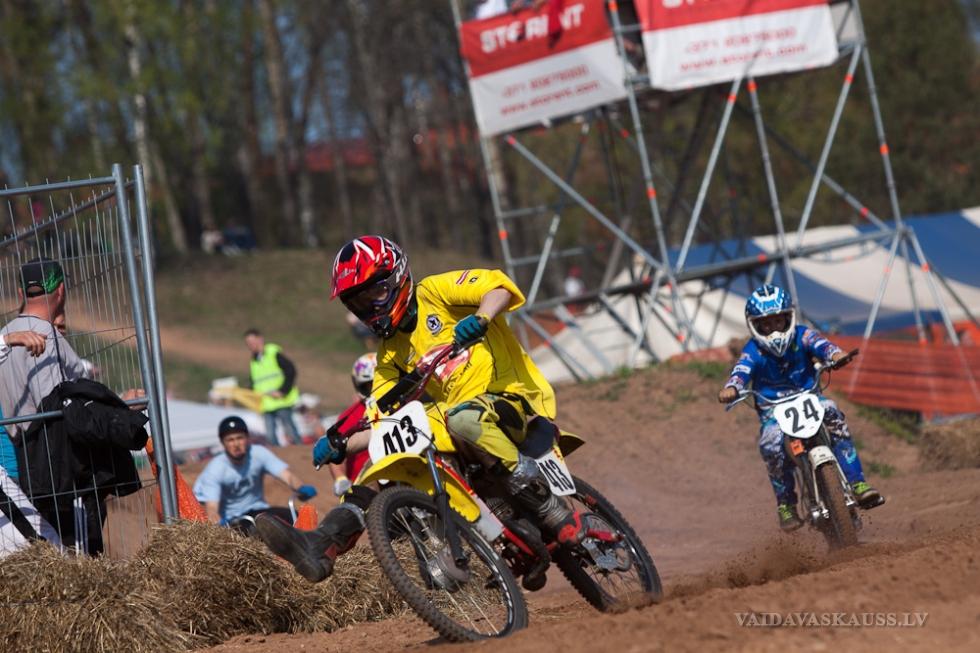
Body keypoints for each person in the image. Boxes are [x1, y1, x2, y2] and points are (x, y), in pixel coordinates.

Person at [255, 235, 584, 583]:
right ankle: (322, 544)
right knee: (379, 463)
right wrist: (341, 444)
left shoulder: (435, 292)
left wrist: (482, 317)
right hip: (453, 418)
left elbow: (499, 287)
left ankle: (552, 509)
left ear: (398, 276)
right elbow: (381, 421)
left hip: (509, 395)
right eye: (359, 302)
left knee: (463, 419)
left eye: (375, 293)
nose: (370, 307)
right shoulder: (390, 354)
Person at [717, 285, 883, 532]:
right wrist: (732, 387)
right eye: (766, 324)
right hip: (773, 410)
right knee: (770, 444)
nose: (774, 329)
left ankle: (858, 483)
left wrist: (836, 355)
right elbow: (741, 370)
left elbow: (824, 346)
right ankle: (786, 504)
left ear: (789, 317)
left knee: (833, 413)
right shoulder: (753, 350)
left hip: (810, 397)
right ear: (755, 325)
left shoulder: (803, 336)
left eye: (778, 321)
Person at [192, 416, 317, 535]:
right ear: (223, 443)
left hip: (260, 511)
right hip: (233, 520)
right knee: (258, 530)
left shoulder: (259, 453)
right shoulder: (215, 469)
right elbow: (212, 507)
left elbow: (286, 475)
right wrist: (217, 522)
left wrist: (300, 487)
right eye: (230, 440)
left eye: (239, 438)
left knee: (296, 518)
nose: (236, 444)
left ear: (247, 438)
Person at [326, 353, 376, 496]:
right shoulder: (349, 416)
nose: (375, 389)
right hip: (364, 487)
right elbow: (336, 452)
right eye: (370, 385)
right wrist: (341, 479)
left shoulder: (406, 405)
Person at [243, 328, 302, 446]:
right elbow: (255, 382)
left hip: (281, 401)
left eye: (252, 341)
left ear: (260, 339)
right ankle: (276, 455)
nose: (250, 345)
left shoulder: (273, 353)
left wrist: (282, 391)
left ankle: (301, 451)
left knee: (290, 430)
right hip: (266, 403)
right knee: (270, 435)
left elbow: (290, 370)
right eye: (248, 343)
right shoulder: (254, 361)